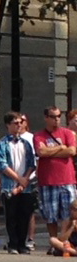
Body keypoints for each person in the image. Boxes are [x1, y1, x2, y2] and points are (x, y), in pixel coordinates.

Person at [33, 106, 77, 254]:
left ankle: (63, 243)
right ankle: (54, 243)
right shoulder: (39, 135)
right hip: (48, 181)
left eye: (58, 116)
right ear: (46, 118)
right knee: (50, 216)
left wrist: (51, 151)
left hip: (67, 180)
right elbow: (41, 152)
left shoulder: (67, 133)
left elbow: (71, 151)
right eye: (53, 116)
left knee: (68, 214)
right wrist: (61, 148)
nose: (56, 119)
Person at [0, 111, 36, 255]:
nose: (19, 125)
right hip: (9, 185)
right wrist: (18, 179)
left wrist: (24, 180)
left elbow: (32, 163)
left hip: (25, 186)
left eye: (20, 123)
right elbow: (1, 165)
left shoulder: (26, 144)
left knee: (24, 215)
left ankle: (22, 244)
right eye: (15, 123)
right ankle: (12, 243)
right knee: (11, 215)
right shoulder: (2, 144)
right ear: (8, 125)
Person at [19, 113, 37, 250]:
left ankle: (30, 239)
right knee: (14, 210)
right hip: (14, 178)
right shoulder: (8, 139)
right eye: (17, 121)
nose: (19, 124)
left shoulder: (31, 138)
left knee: (29, 210)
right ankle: (16, 239)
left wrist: (27, 177)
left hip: (31, 179)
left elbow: (35, 160)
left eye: (22, 121)